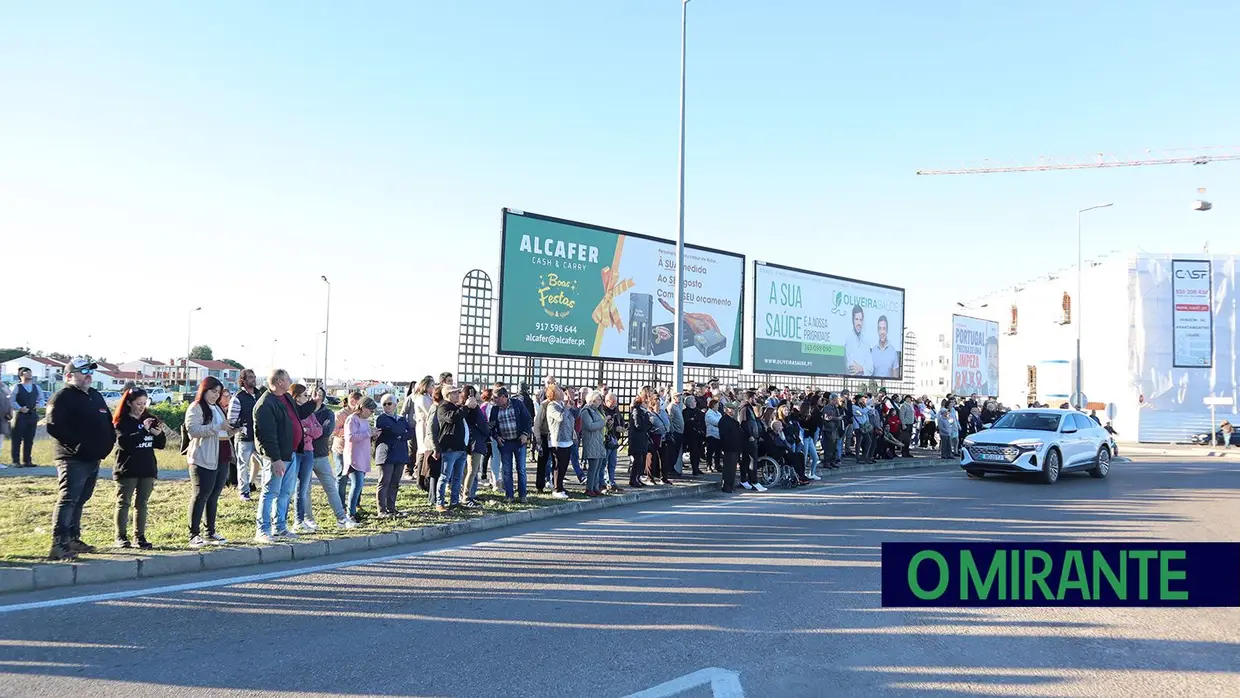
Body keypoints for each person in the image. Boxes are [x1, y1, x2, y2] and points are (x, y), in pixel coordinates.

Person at [45, 358, 116, 560]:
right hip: (73, 459)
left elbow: (107, 422)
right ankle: (58, 544)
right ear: (69, 375)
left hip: (93, 458)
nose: (88, 375)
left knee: (81, 499)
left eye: (90, 371)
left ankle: (73, 539)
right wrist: (77, 446)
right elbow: (55, 426)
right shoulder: (62, 397)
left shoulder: (94, 395)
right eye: (83, 371)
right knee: (68, 499)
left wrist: (108, 442)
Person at [112, 388, 166, 549]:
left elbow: (161, 444)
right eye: (138, 403)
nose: (142, 407)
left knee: (142, 503)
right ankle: (121, 536)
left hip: (147, 467)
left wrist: (157, 433)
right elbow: (125, 443)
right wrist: (142, 430)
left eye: (144, 403)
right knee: (124, 502)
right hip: (127, 468)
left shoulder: (149, 419)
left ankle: (140, 536)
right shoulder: (122, 422)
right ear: (128, 403)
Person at [185, 376, 235, 548]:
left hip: (222, 455)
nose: (216, 395)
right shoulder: (196, 407)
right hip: (203, 457)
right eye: (213, 391)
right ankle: (193, 534)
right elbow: (193, 430)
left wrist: (233, 429)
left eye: (218, 393)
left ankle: (210, 531)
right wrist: (217, 427)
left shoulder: (218, 408)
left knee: (214, 495)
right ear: (204, 389)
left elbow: (223, 433)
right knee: (201, 495)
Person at [253, 369, 301, 542]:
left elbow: (296, 417)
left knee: (285, 493)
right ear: (280, 382)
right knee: (270, 492)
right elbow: (267, 435)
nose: (290, 382)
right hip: (276, 457)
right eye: (288, 379)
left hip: (291, 453)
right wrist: (276, 459)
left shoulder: (286, 397)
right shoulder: (266, 403)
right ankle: (262, 530)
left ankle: (280, 527)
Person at [307, 386, 356, 529]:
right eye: (314, 394)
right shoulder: (304, 411)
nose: (317, 396)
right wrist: (315, 430)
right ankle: (308, 519)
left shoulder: (327, 412)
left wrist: (309, 431)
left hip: (321, 455)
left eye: (320, 394)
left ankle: (341, 518)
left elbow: (327, 430)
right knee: (305, 490)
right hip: (305, 454)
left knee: (330, 487)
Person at [289, 384, 325, 532]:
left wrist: (308, 430)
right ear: (296, 396)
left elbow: (319, 431)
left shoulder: (310, 413)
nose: (307, 398)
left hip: (308, 452)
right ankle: (281, 521)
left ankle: (300, 519)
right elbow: (295, 429)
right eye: (305, 395)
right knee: (289, 488)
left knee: (302, 489)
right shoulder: (293, 410)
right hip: (295, 452)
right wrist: (307, 431)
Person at [487, 387, 532, 503]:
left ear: (504, 397)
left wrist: (525, 434)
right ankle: (509, 495)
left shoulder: (517, 404)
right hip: (505, 443)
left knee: (521, 469)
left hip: (519, 442)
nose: (494, 400)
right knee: (507, 470)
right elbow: (491, 426)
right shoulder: (495, 409)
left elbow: (527, 420)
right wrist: (497, 437)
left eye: (496, 398)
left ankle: (523, 495)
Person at [432, 384, 472, 512]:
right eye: (454, 393)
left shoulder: (456, 407)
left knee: (457, 477)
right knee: (445, 476)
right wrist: (465, 407)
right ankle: (440, 502)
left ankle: (455, 501)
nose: (458, 395)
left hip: (460, 447)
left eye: (458, 392)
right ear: (447, 395)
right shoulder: (443, 407)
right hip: (449, 448)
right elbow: (452, 418)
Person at [227, 368, 265, 501]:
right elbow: (231, 419)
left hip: (260, 437)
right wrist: (241, 427)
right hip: (244, 438)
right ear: (243, 380)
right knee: (243, 465)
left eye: (254, 376)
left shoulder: (260, 394)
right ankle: (244, 491)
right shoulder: (238, 397)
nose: (253, 378)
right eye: (250, 377)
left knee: (266, 463)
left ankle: (265, 489)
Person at [374, 392, 412, 517]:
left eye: (389, 403)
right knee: (384, 481)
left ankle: (391, 508)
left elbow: (410, 433)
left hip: (400, 454)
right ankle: (382, 510)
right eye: (384, 404)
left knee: (395, 482)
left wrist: (401, 434)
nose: (387, 406)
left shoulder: (401, 419)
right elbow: (391, 431)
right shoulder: (381, 418)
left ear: (395, 404)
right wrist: (401, 432)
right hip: (386, 454)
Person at [343, 396, 378, 520]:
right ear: (363, 408)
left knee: (359, 485)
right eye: (370, 410)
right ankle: (350, 513)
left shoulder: (365, 421)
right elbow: (350, 437)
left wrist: (373, 434)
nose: (371, 413)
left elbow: (365, 436)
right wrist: (369, 433)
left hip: (363, 456)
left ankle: (353, 510)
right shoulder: (352, 419)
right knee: (356, 485)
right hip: (354, 457)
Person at [9, 367, 41, 467]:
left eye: (30, 372)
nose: (29, 374)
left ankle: (27, 460)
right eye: (26, 373)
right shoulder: (17, 387)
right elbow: (11, 400)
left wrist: (38, 405)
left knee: (29, 439)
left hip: (32, 415)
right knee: (17, 439)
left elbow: (41, 399)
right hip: (20, 416)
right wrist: (19, 408)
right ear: (21, 375)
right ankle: (15, 461)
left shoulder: (36, 387)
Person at [580, 389, 607, 497]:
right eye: (597, 399)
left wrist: (607, 423)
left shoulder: (598, 411)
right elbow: (590, 426)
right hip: (591, 441)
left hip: (599, 440)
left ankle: (595, 487)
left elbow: (601, 424)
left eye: (600, 399)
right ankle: (589, 488)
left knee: (599, 466)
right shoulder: (586, 411)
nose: (600, 401)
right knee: (593, 466)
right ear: (591, 400)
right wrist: (603, 422)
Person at [717, 401, 744, 493]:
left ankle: (730, 484)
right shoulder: (724, 420)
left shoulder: (733, 421)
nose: (732, 410)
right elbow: (724, 436)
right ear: (726, 410)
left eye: (733, 409)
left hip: (735, 447)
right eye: (731, 409)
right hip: (729, 447)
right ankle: (726, 486)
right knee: (729, 467)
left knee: (732, 468)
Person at [627, 395, 651, 488]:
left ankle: (638, 478)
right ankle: (633, 479)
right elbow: (638, 425)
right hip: (637, 439)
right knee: (638, 460)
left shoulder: (644, 412)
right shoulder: (637, 411)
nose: (647, 404)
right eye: (645, 402)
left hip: (642, 439)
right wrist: (647, 423)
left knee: (642, 460)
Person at [844, 305, 875, 376]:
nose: (858, 323)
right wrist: (864, 368)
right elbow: (851, 368)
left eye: (860, 320)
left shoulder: (867, 341)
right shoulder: (848, 340)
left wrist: (861, 369)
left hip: (865, 382)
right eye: (856, 319)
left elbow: (871, 368)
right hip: (851, 382)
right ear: (852, 320)